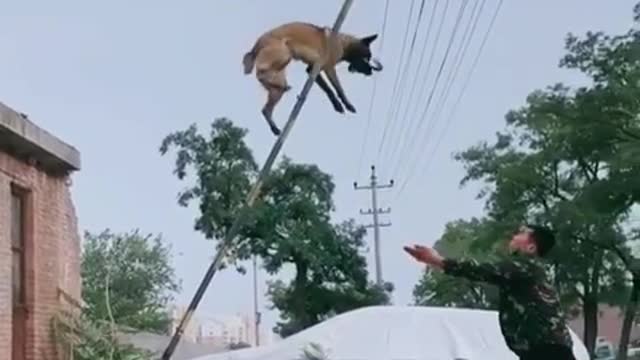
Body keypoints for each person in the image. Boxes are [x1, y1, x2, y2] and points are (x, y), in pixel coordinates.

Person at [404, 224, 576, 360]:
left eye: (521, 233)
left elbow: (483, 271)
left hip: (546, 350)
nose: (514, 236)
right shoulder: (531, 271)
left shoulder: (525, 267)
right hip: (541, 349)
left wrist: (437, 260)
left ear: (531, 248)